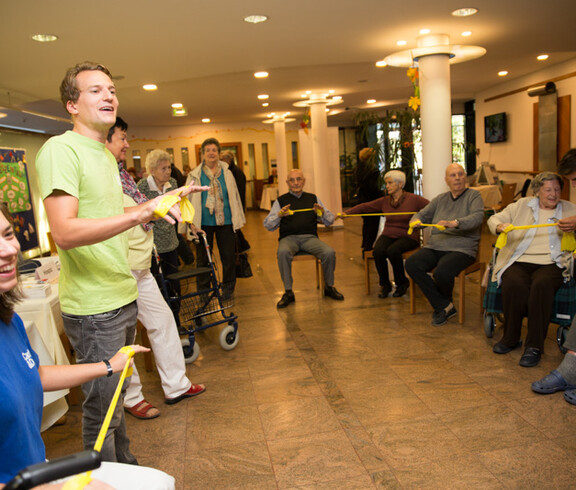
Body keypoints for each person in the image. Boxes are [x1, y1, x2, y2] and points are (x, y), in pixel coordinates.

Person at [34, 62, 202, 464]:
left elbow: (116, 218)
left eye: (111, 89)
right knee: (103, 411)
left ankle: (124, 469)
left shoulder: (103, 155)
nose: (109, 95)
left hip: (121, 293)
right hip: (95, 308)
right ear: (72, 105)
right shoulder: (61, 150)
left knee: (117, 403)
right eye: (95, 91)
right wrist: (141, 213)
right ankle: (106, 477)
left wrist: (157, 205)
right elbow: (65, 232)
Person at [0, 202, 175, 489]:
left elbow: (34, 374)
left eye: (8, 235)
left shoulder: (11, 321)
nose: (9, 250)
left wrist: (109, 365)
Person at [105, 118, 206, 420]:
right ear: (104, 139)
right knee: (124, 338)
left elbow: (145, 210)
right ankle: (132, 397)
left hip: (140, 266)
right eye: (121, 138)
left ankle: (176, 385)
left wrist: (176, 195)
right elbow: (113, 214)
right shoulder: (100, 175)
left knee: (162, 321)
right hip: (118, 268)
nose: (126, 144)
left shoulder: (120, 174)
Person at [405, 163, 484, 326]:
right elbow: (421, 214)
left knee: (442, 271)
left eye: (460, 174)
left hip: (462, 249)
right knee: (412, 264)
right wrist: (415, 221)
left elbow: (477, 217)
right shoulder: (440, 199)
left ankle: (443, 304)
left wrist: (455, 223)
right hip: (435, 246)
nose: (458, 178)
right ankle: (444, 305)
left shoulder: (474, 197)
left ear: (465, 177)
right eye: (453, 175)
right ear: (446, 180)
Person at [264, 169, 344, 308]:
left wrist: (321, 212)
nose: (296, 183)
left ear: (304, 181)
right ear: (287, 183)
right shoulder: (281, 200)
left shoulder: (313, 198)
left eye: (299, 179)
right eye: (292, 180)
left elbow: (329, 220)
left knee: (329, 252)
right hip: (288, 239)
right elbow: (268, 225)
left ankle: (329, 287)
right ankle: (288, 292)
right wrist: (279, 215)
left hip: (309, 238)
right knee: (282, 253)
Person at [342, 170, 429, 298]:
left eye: (389, 183)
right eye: (386, 183)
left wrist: (422, 221)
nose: (386, 186)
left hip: (408, 236)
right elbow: (365, 207)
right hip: (389, 233)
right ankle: (385, 285)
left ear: (400, 184)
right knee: (378, 251)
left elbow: (432, 208)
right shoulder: (385, 201)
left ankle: (401, 283)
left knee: (393, 251)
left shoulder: (414, 199)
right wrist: (347, 213)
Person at [183, 138, 246, 292]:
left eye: (214, 150)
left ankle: (228, 290)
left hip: (226, 221)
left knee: (228, 258)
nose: (211, 153)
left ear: (218, 153)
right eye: (208, 150)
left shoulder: (227, 173)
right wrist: (189, 222)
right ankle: (204, 291)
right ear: (202, 154)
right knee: (203, 260)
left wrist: (239, 217)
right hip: (202, 223)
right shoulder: (194, 175)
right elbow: (187, 200)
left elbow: (235, 196)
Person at [354, 148, 383, 252]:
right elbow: (373, 188)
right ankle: (368, 247)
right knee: (373, 224)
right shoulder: (373, 170)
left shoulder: (359, 168)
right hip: (372, 201)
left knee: (366, 223)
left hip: (363, 200)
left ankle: (365, 245)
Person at [220, 149, 250, 252]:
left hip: (236, 204)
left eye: (222, 159)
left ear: (228, 160)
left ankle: (242, 247)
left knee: (234, 227)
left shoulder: (235, 172)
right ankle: (243, 246)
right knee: (234, 228)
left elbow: (239, 192)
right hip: (232, 205)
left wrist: (238, 207)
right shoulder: (229, 171)